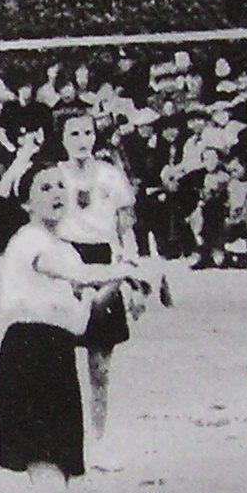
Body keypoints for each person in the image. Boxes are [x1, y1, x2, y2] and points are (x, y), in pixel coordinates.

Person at [0, 163, 147, 493]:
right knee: (51, 490)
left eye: (61, 185)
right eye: (45, 187)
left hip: (57, 363)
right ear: (27, 201)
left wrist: (124, 283)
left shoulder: (67, 250)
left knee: (56, 491)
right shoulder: (29, 241)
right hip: (27, 361)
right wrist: (124, 268)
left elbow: (82, 319)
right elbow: (71, 275)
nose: (57, 192)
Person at [54, 111, 140, 462]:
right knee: (59, 361)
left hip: (103, 261)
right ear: (62, 138)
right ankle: (65, 442)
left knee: (100, 366)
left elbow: (126, 227)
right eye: (74, 134)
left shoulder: (110, 175)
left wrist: (131, 273)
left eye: (87, 133)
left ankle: (99, 439)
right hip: (66, 261)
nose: (82, 141)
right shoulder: (53, 176)